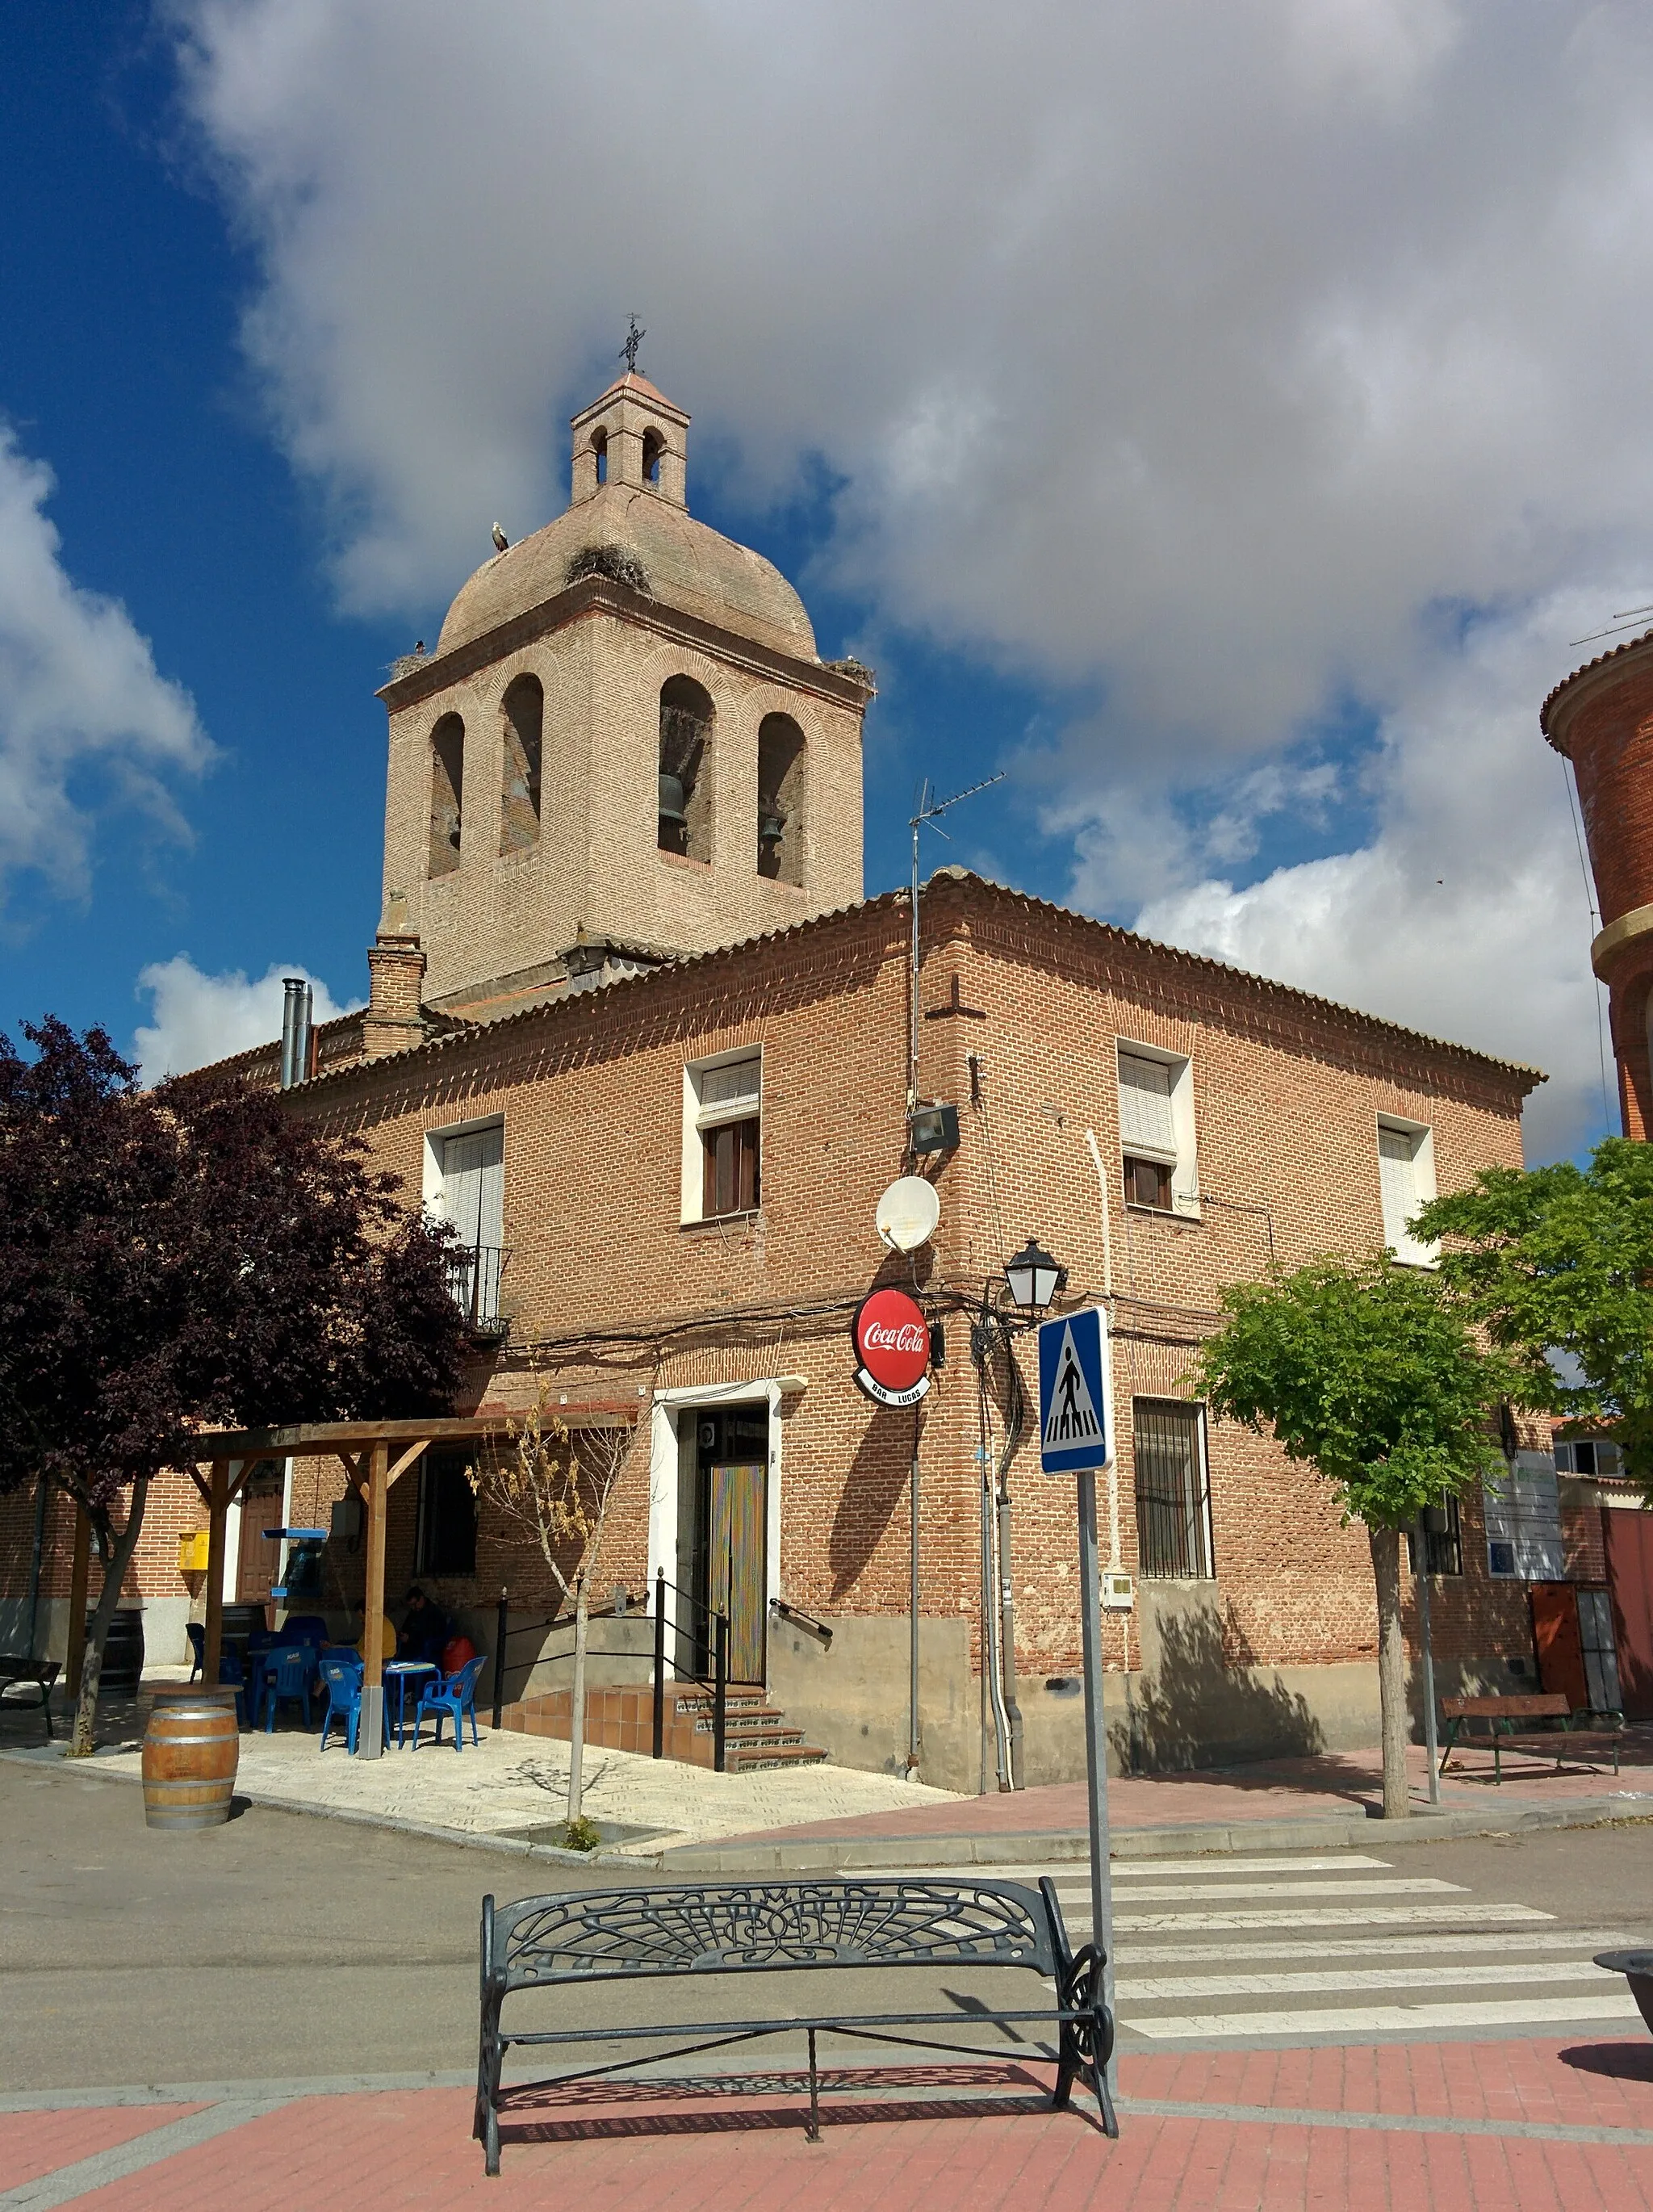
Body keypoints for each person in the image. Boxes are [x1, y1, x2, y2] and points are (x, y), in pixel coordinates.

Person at [397, 1586, 451, 1664]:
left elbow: (431, 1634)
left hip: (427, 1646)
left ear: (421, 1599)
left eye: (414, 1604)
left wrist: (410, 1638)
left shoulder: (434, 1613)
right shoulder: (414, 1612)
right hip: (412, 1645)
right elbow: (407, 1626)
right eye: (411, 1606)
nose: (413, 1608)